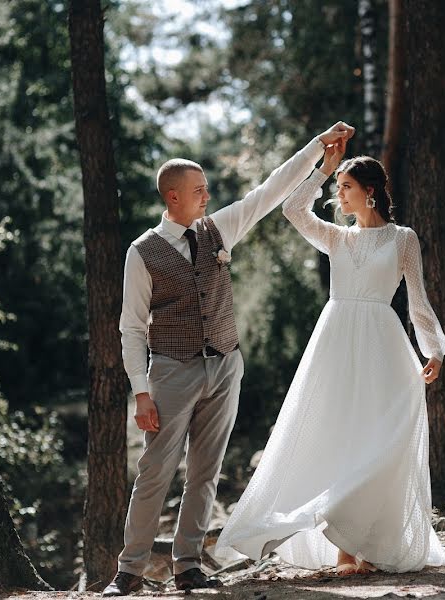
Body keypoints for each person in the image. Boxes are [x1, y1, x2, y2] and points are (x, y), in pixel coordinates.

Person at [102, 121, 355, 597]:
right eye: (198, 190)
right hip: (171, 371)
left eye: (206, 189)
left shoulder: (219, 228)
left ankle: (187, 565)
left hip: (224, 366)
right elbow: (132, 327)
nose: (207, 195)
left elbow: (270, 188)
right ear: (172, 197)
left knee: (205, 471)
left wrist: (317, 149)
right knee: (156, 471)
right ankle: (129, 571)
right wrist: (140, 391)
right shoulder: (142, 253)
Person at [213, 140, 445, 575]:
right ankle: (344, 551)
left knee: (381, 439)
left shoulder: (403, 239)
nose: (338, 195)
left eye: (345, 187)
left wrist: (432, 349)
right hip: (336, 343)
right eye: (338, 187)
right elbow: (293, 209)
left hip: (383, 344)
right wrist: (324, 168)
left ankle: (370, 544)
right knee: (337, 433)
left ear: (370, 191)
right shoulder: (335, 236)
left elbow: (417, 299)